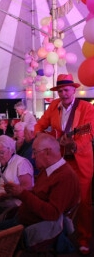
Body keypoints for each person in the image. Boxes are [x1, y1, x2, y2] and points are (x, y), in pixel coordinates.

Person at [34, 73, 94, 255]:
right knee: (57, 199)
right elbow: (40, 126)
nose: (63, 93)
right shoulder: (53, 106)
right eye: (60, 90)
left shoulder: (85, 108)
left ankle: (84, 238)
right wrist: (42, 137)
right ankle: (58, 234)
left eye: (66, 90)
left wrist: (75, 145)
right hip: (58, 161)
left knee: (83, 201)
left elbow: (88, 132)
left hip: (80, 161)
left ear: (74, 90)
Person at [0, 134, 80, 249]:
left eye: (35, 152)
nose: (32, 156)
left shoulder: (65, 177)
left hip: (29, 228)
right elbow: (38, 195)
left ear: (47, 152)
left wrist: (22, 193)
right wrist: (17, 192)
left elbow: (52, 213)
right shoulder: (48, 170)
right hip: (23, 220)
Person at [0, 135, 34, 223]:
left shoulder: (21, 163)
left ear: (11, 149)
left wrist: (7, 195)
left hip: (14, 207)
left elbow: (28, 188)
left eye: (1, 152)